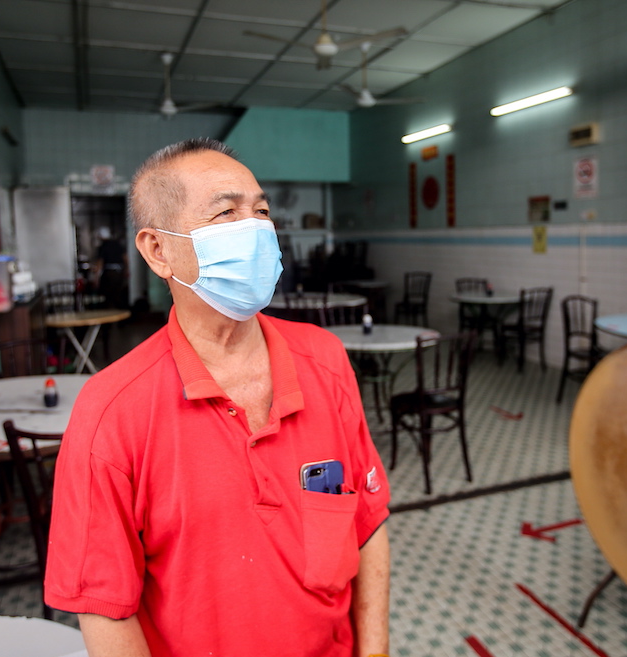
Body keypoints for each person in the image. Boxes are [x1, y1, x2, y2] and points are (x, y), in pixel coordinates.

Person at [44, 138, 391, 657]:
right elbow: (103, 606)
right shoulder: (110, 413)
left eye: (262, 212)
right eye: (227, 212)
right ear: (159, 250)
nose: (255, 230)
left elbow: (366, 527)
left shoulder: (325, 361)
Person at [94, 226, 127, 308]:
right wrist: (126, 270)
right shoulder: (117, 244)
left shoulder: (103, 246)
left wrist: (96, 278)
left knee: (109, 296)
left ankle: (111, 314)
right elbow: (125, 258)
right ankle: (119, 316)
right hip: (119, 272)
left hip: (109, 274)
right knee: (118, 295)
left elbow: (100, 263)